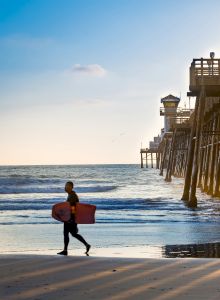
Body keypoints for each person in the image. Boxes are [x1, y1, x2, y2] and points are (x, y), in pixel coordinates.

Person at [57, 181, 91, 256]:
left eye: (68, 186)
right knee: (73, 234)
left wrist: (71, 219)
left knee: (67, 233)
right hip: (70, 217)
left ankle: (65, 250)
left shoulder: (72, 195)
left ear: (72, 187)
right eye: (66, 186)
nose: (66, 187)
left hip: (70, 218)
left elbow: (73, 208)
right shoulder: (70, 195)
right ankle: (86, 245)